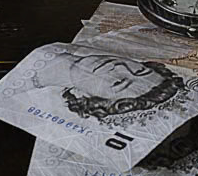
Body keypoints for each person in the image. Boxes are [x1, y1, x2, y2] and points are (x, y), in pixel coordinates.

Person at [29, 48, 184, 121]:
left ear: (82, 97)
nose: (121, 68)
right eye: (140, 70)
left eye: (118, 82)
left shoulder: (27, 87)